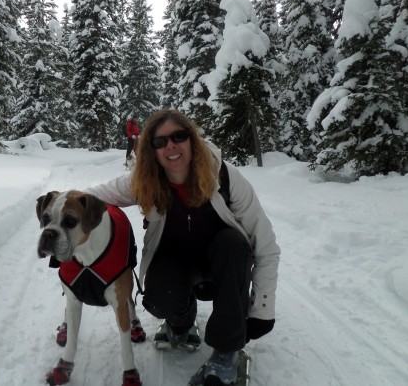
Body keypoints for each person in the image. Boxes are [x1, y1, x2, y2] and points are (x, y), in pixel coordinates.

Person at [86, 109, 280, 385]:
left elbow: (266, 245)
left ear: (193, 140)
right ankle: (181, 321)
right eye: (160, 141)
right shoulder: (144, 182)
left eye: (179, 136)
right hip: (175, 263)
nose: (171, 146)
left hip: (222, 266)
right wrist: (60, 211)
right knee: (158, 298)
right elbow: (91, 197)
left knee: (234, 245)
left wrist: (261, 310)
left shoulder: (223, 176)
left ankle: (226, 350)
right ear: (151, 151)